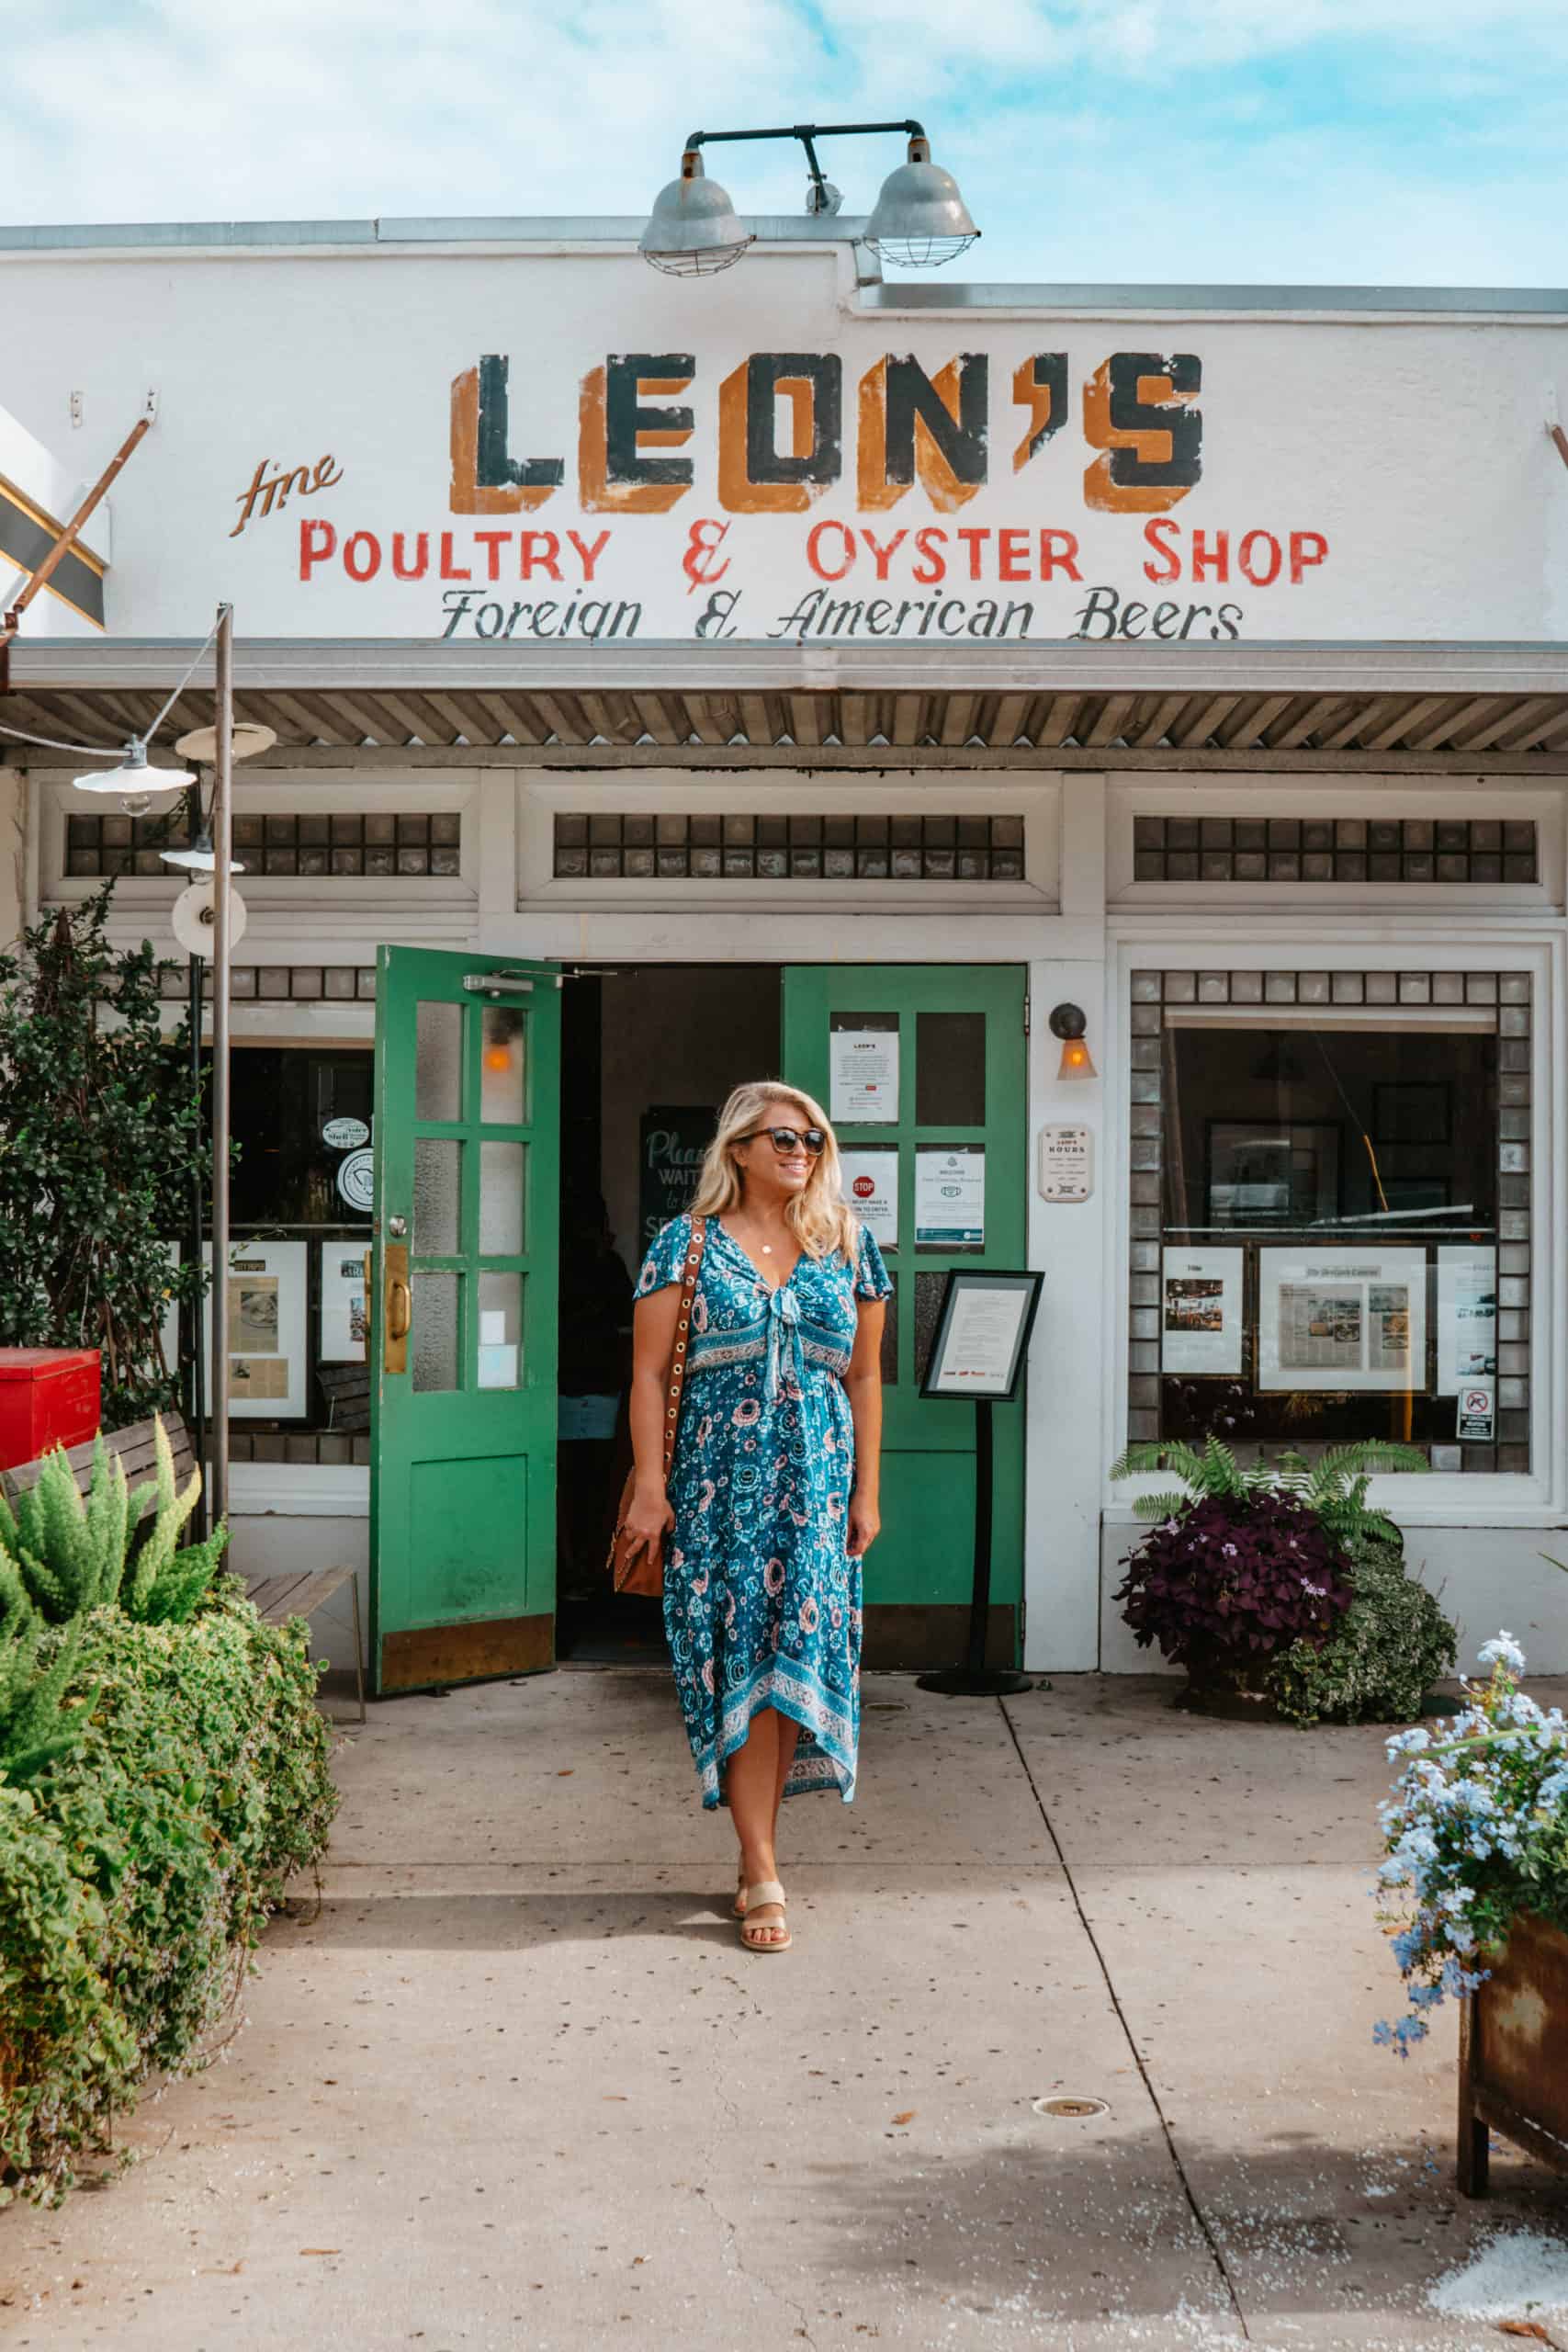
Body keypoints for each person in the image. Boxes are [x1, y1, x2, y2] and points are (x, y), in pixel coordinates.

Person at [624, 1081, 892, 1953]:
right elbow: (651, 1376)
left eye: (813, 1140)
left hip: (814, 1493)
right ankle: (761, 1861)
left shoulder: (848, 1245)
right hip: (716, 1492)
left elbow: (863, 1379)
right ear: (737, 1148)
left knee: (786, 1669)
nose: (801, 1152)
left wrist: (866, 1492)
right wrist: (651, 1488)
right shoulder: (686, 1245)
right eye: (783, 1137)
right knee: (738, 1661)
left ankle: (757, 1855)